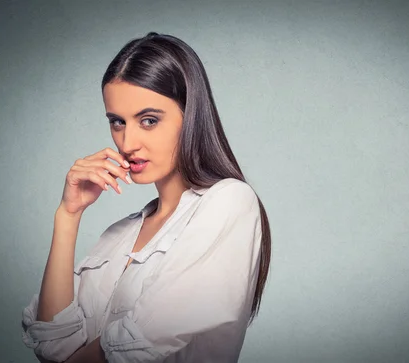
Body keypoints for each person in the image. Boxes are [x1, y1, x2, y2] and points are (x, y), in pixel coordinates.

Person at [21, 32, 272, 363]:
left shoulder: (229, 202)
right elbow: (53, 347)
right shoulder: (119, 234)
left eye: (149, 120)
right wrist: (68, 216)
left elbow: (134, 347)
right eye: (117, 122)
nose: (128, 142)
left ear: (191, 115)